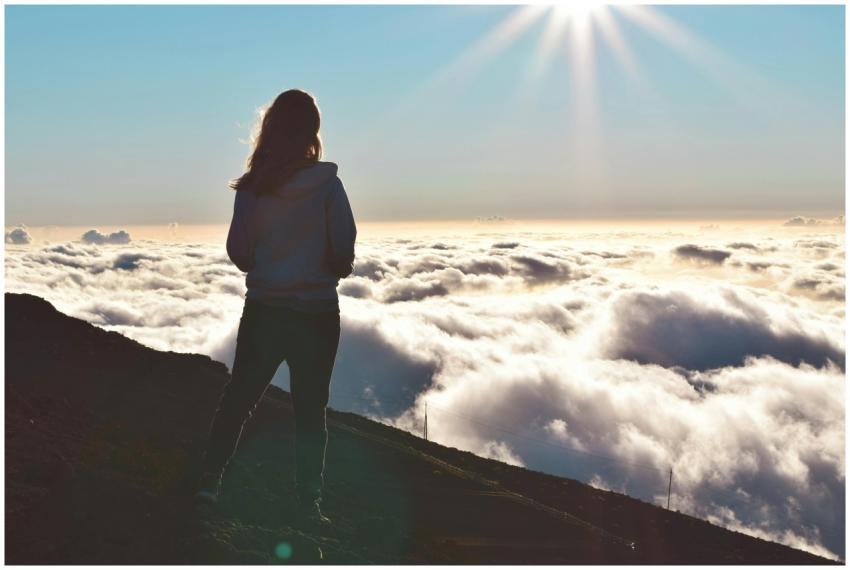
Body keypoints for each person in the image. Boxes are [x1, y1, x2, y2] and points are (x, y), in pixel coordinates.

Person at [194, 89, 356, 528]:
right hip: (317, 314)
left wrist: (272, 265)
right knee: (310, 411)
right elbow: (343, 250)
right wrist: (321, 271)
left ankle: (209, 482)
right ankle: (308, 504)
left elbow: (240, 253)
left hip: (265, 309)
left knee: (239, 398)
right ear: (313, 133)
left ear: (269, 130)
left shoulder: (252, 189)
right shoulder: (328, 186)